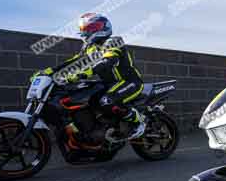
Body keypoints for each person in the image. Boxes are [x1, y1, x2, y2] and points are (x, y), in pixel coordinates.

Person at [34, 13, 145, 141]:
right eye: (85, 29)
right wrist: (49, 71)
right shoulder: (89, 48)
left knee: (107, 101)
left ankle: (138, 122)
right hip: (108, 84)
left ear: (104, 27)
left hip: (129, 82)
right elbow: (74, 62)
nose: (87, 32)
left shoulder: (114, 41)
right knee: (90, 100)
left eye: (92, 28)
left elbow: (107, 61)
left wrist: (81, 74)